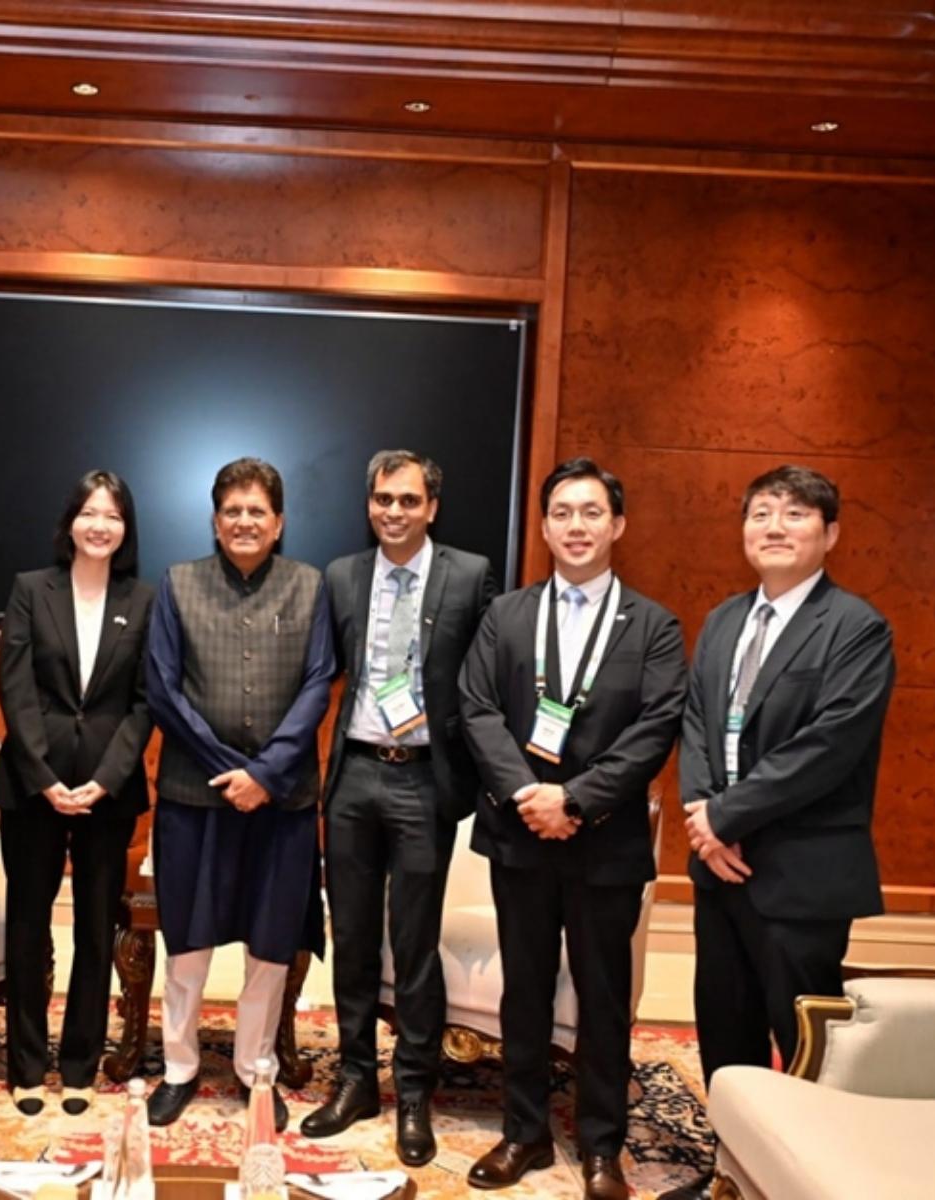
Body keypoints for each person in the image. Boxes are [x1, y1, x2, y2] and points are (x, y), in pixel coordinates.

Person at [660, 465, 894, 1200]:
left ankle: (804, 1181)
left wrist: (727, 818)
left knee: (802, 1041)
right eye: (761, 512)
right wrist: (704, 820)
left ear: (830, 535)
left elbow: (829, 746)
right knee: (723, 1030)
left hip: (801, 876)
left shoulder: (857, 628)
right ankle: (729, 1173)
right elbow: (697, 724)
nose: (774, 527)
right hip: (719, 870)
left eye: (796, 515)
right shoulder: (726, 619)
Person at [458, 457, 686, 1200]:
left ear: (616, 525)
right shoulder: (507, 615)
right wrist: (529, 795)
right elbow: (478, 708)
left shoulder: (653, 625)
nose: (576, 526)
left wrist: (576, 800)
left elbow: (655, 731)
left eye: (592, 512)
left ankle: (601, 1148)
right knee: (522, 989)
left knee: (603, 995)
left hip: (606, 842)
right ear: (545, 525)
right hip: (520, 834)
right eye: (562, 512)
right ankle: (522, 1134)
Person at [301, 449, 495, 1165]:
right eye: (382, 499)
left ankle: (414, 1089)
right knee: (351, 937)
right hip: (354, 774)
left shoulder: (469, 576)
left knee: (413, 945)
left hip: (422, 781)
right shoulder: (343, 576)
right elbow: (330, 673)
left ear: (432, 507)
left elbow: (484, 685)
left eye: (408, 500)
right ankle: (356, 1079)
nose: (393, 512)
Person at [144, 456, 337, 1132]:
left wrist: (268, 773)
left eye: (258, 511)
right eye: (233, 511)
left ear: (279, 522)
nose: (245, 521)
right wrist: (232, 769)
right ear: (215, 520)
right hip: (194, 795)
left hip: (281, 802)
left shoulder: (310, 587)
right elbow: (163, 689)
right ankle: (179, 1068)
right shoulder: (178, 583)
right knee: (188, 944)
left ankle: (258, 1072)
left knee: (271, 944)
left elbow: (319, 684)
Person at [0, 470, 155, 1116]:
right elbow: (15, 688)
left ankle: (81, 1064)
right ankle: (27, 1065)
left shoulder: (142, 600)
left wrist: (104, 779)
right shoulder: (33, 589)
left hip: (107, 791)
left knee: (95, 927)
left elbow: (144, 703)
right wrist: (46, 778)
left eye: (111, 515)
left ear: (125, 529)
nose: (99, 525)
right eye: (89, 512)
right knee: (28, 927)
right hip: (33, 788)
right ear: (70, 523)